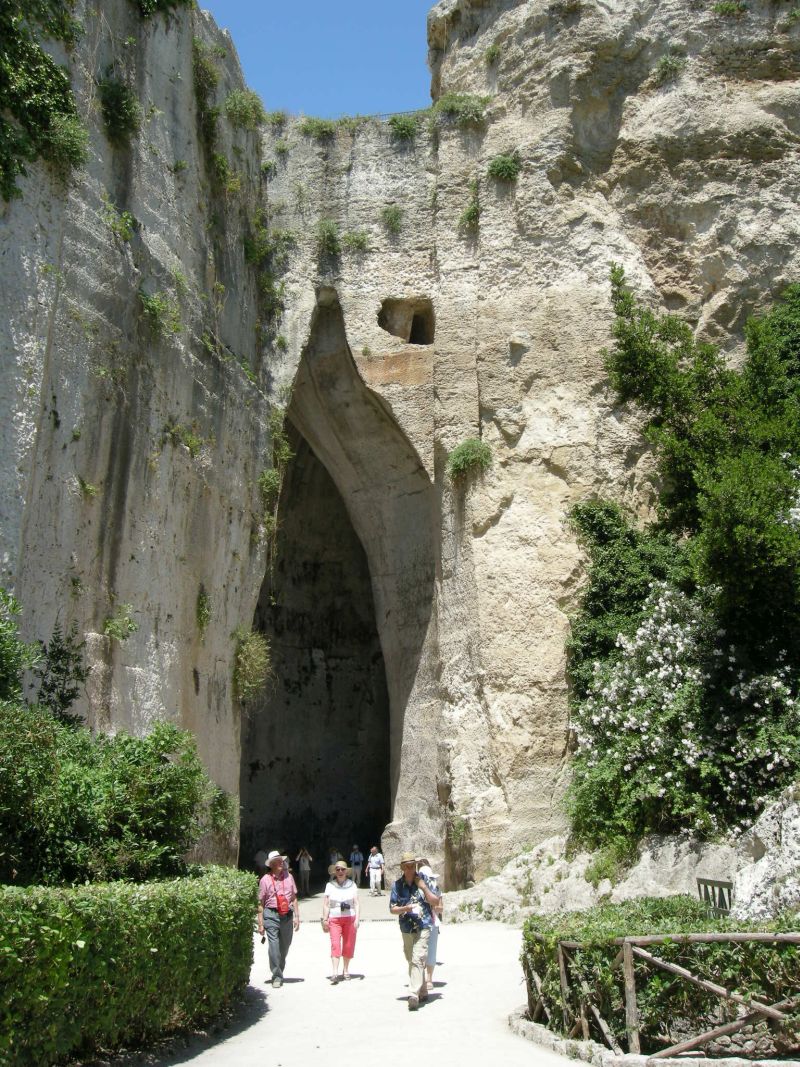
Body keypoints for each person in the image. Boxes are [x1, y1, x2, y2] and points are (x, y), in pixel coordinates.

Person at [389, 851, 442, 1011]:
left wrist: (423, 887)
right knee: (411, 959)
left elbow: (435, 902)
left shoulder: (424, 880)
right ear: (402, 868)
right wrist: (405, 908)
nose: (410, 869)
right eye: (407, 866)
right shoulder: (397, 886)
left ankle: (413, 994)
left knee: (418, 958)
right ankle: (423, 989)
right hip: (406, 927)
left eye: (412, 866)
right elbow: (392, 909)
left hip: (424, 925)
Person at [257, 849, 301, 988]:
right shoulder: (264, 880)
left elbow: (294, 898)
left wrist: (297, 917)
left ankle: (279, 969)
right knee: (274, 947)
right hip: (271, 915)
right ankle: (276, 976)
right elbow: (260, 903)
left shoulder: (289, 877)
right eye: (277, 860)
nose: (281, 862)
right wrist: (261, 923)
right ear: (271, 864)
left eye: (281, 860)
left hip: (287, 915)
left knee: (285, 947)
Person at [321, 859, 360, 981]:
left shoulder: (352, 885)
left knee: (348, 945)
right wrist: (325, 919)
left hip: (350, 917)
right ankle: (334, 972)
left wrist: (357, 919)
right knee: (335, 944)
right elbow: (326, 904)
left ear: (346, 872)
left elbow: (356, 903)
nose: (340, 872)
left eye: (343, 869)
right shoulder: (330, 885)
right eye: (337, 870)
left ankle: (346, 969)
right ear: (334, 872)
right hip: (335, 917)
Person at [417, 859, 442, 990]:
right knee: (420, 952)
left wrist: (434, 906)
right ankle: (420, 978)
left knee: (431, 950)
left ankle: (429, 978)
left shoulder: (436, 888)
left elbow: (440, 906)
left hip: (432, 921)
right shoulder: (415, 889)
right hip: (419, 922)